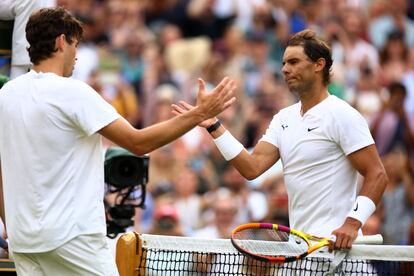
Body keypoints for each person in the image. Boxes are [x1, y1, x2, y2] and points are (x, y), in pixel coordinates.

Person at [0, 7, 236, 276]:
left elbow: (1, 170)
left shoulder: (7, 94)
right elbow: (138, 143)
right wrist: (200, 114)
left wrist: (11, 224)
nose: (76, 56)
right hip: (72, 240)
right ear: (61, 42)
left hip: (24, 241)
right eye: (76, 45)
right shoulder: (72, 91)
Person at [173, 29, 388, 250]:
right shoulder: (283, 118)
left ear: (318, 65)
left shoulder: (342, 114)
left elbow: (377, 174)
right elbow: (251, 168)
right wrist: (214, 126)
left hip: (338, 250)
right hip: (300, 248)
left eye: (294, 62)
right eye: (284, 63)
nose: (285, 69)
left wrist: (352, 223)